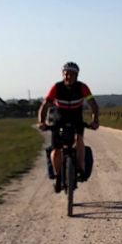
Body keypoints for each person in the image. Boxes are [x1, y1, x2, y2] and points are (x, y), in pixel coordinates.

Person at [38, 62, 100, 192]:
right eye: (66, 74)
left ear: (76, 75)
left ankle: (81, 169)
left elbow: (93, 105)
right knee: (56, 149)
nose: (68, 77)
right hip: (59, 120)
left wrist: (95, 121)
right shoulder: (56, 87)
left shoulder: (82, 87)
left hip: (76, 118)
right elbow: (45, 106)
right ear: (62, 75)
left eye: (72, 74)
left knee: (79, 141)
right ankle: (58, 177)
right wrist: (42, 122)